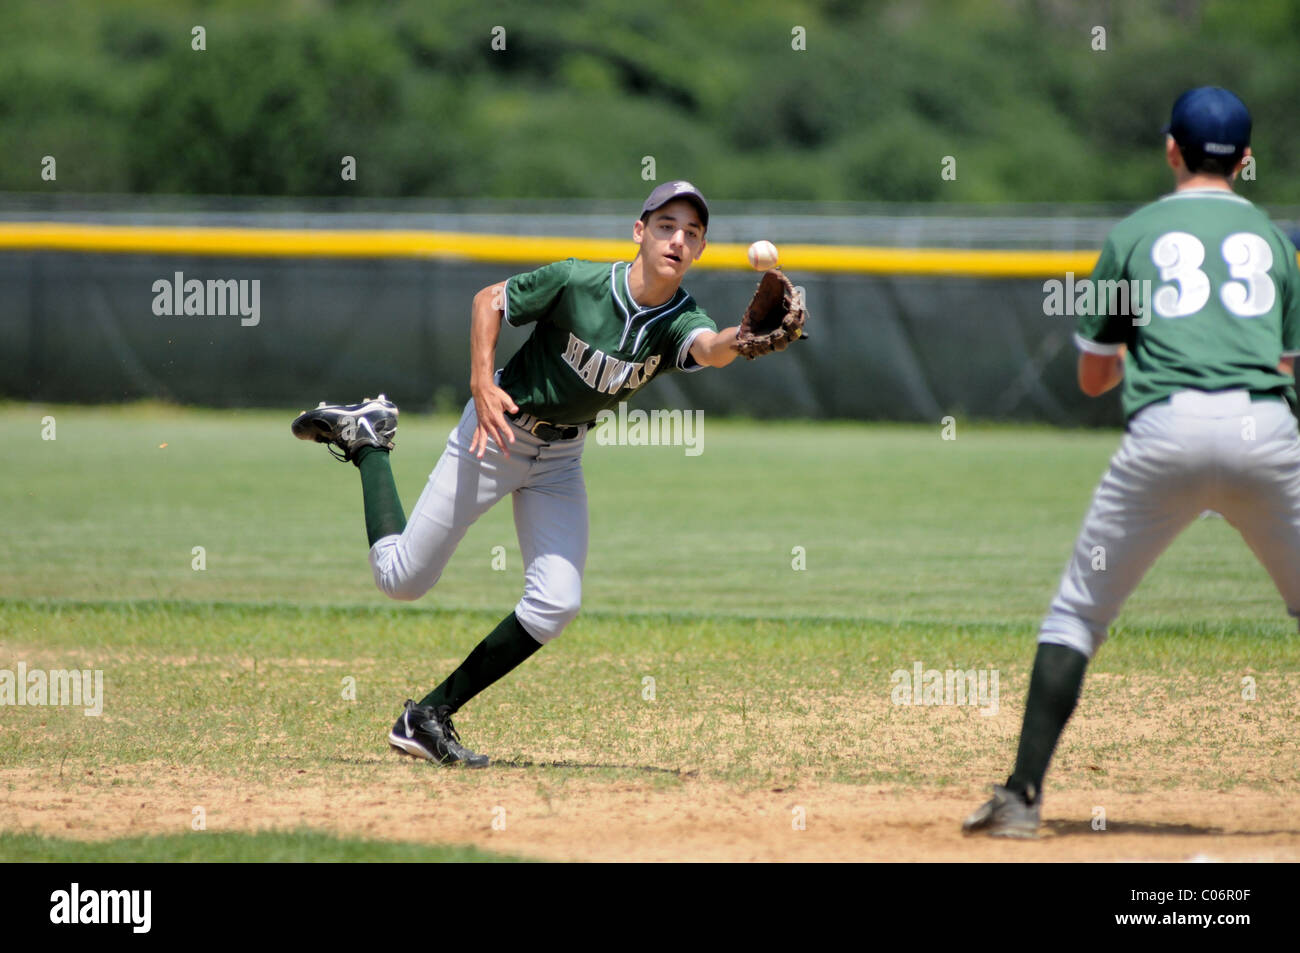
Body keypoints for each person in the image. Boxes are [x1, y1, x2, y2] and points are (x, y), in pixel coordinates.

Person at [293, 181, 760, 765]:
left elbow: (710, 346)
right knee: (402, 581)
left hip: (561, 459)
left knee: (556, 603)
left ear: (701, 250)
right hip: (496, 432)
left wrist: (744, 337)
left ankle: (428, 715)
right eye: (666, 225)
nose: (678, 239)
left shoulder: (678, 318)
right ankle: (368, 443)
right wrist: (481, 382)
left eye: (692, 233)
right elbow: (490, 300)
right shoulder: (577, 281)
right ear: (639, 232)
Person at [964, 87, 1300, 837]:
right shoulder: (1280, 245)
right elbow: (1283, 361)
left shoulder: (1134, 234)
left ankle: (1020, 799)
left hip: (1166, 432)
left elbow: (1092, 376)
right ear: (1246, 161)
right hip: (1266, 428)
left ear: (1171, 150)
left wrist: (1148, 361)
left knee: (1079, 613)